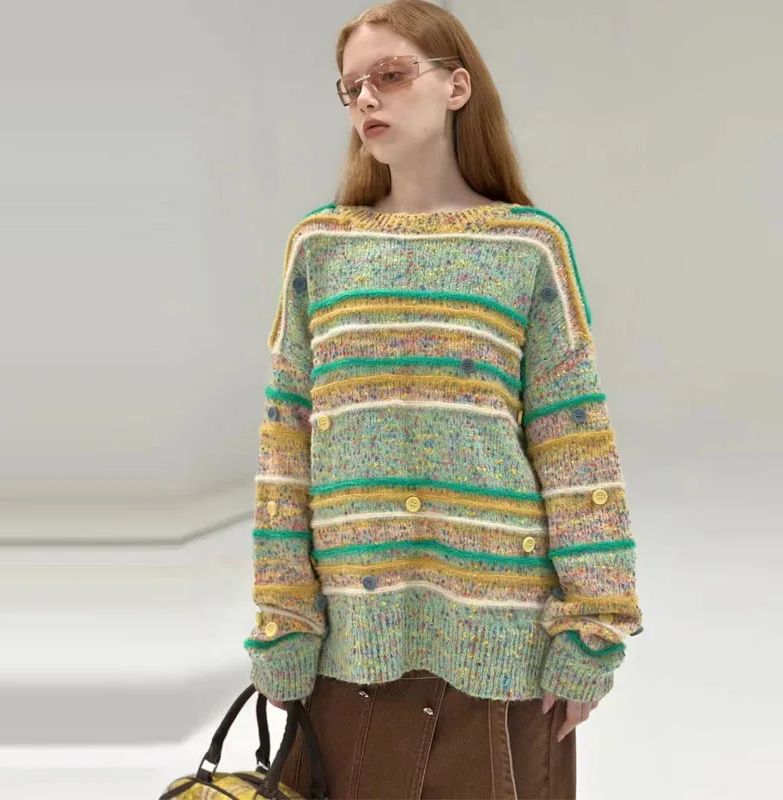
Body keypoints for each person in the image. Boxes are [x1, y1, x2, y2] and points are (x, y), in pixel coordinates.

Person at [244, 1, 643, 797]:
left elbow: (573, 445)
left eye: (391, 74)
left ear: (457, 86)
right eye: (351, 86)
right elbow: (286, 442)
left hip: (508, 657)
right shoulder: (320, 249)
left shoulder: (529, 247)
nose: (366, 98)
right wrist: (282, 617)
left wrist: (594, 628)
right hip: (347, 651)